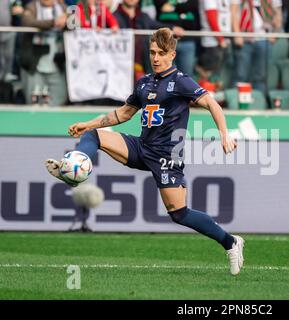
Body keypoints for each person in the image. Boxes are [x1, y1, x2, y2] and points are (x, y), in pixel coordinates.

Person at [44, 28, 244, 276]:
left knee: (179, 214)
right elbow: (122, 114)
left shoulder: (180, 81)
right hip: (141, 146)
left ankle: (231, 242)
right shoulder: (145, 82)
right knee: (92, 136)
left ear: (172, 54)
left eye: (161, 53)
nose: (156, 58)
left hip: (167, 155)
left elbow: (211, 102)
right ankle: (73, 168)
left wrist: (224, 133)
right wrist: (89, 123)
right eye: (152, 53)